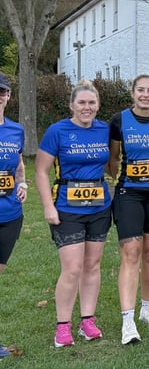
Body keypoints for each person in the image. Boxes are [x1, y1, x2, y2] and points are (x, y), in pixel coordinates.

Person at [35, 79, 111, 347]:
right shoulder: (58, 131)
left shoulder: (104, 130)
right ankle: (63, 326)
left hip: (100, 207)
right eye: (82, 103)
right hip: (67, 208)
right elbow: (41, 170)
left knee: (92, 266)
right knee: (72, 268)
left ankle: (87, 321)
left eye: (91, 103)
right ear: (72, 105)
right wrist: (47, 205)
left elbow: (112, 163)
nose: (86, 108)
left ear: (98, 105)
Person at [108, 75, 149, 345]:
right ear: (132, 93)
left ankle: (147, 308)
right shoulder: (119, 120)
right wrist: (125, 180)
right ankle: (128, 320)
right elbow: (113, 159)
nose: (145, 95)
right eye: (141, 90)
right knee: (131, 253)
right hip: (129, 193)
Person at [0, 73, 27, 358]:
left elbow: (19, 163)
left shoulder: (15, 130)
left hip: (9, 213)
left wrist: (22, 183)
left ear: (8, 96)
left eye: (2, 92)